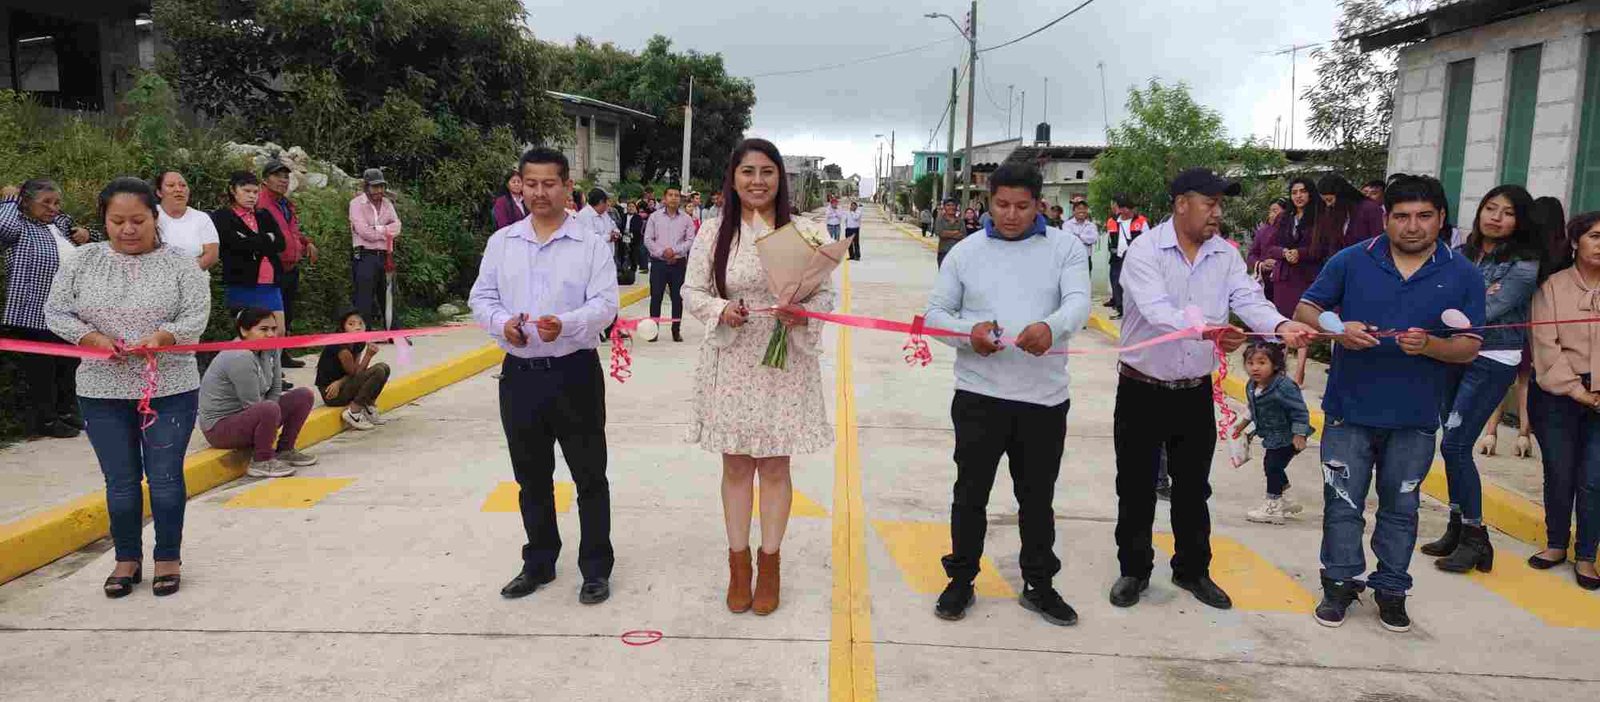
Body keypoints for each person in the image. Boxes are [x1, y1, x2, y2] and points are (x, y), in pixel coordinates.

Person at [1111, 168, 1316, 612]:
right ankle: (1134, 569)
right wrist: (1208, 330)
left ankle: (1192, 570)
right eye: (1210, 203)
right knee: (1136, 484)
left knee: (1192, 487)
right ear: (1182, 203)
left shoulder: (1224, 254)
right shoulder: (1145, 250)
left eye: (1220, 204)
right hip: (1141, 389)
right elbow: (1157, 311)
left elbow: (1248, 299)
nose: (1217, 213)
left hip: (1193, 392)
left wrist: (1281, 325)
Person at [1294, 173, 1486, 632]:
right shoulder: (1351, 260)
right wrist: (1337, 327)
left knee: (1402, 508)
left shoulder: (1463, 274)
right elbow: (1305, 309)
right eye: (1401, 216)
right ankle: (1338, 583)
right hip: (1348, 411)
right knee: (1342, 502)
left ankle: (1392, 588)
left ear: (1441, 218)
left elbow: (1469, 346)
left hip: (1415, 418)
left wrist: (1431, 348)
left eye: (1424, 216)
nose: (1412, 226)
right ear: (1387, 218)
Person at [924, 163, 1090, 626]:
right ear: (987, 203)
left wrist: (1051, 327)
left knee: (1037, 497)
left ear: (1039, 204)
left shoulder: (1066, 248)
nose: (1011, 215)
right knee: (970, 492)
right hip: (980, 396)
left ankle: (1039, 584)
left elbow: (1078, 302)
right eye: (1001, 205)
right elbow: (935, 313)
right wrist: (967, 333)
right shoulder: (965, 252)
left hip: (1044, 399)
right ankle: (961, 580)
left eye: (1022, 206)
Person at [683, 138, 835, 616]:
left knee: (774, 466)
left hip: (784, 361)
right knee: (735, 466)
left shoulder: (806, 231)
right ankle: (738, 564)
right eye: (747, 171)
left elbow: (826, 297)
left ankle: (770, 565)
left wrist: (803, 312)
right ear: (733, 178)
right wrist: (719, 308)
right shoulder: (713, 233)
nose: (757, 181)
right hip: (732, 360)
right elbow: (691, 290)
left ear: (780, 179)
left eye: (767, 172)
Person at [45, 176, 210, 598]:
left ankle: (168, 557)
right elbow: (57, 313)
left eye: (138, 219)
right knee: (119, 482)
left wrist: (163, 339)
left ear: (154, 218)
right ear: (104, 220)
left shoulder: (180, 264)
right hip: (101, 390)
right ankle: (126, 558)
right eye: (117, 221)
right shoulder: (82, 261)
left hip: (169, 387)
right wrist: (92, 340)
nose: (128, 229)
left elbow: (196, 316)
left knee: (166, 478)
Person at [470, 147, 619, 606]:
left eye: (549, 183)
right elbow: (482, 297)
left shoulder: (590, 244)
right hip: (520, 375)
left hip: (574, 371)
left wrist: (568, 323)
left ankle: (595, 568)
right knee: (531, 476)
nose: (539, 192)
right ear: (519, 184)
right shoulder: (503, 242)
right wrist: (502, 325)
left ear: (566, 186)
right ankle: (538, 562)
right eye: (530, 183)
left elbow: (606, 303)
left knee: (589, 475)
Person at [1420, 185, 1542, 573]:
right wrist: (1455, 305)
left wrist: (1458, 305)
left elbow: (1488, 308)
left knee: (1456, 444)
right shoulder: (1459, 253)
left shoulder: (1524, 263)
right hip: (1452, 353)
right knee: (1450, 444)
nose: (1496, 217)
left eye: (1507, 212)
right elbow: (1440, 297)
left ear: (1519, 221)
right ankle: (1457, 527)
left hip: (1492, 356)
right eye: (1490, 208)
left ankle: (1476, 537)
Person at [1527, 210, 1600, 590]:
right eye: (1595, 236)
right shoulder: (1551, 287)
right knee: (1560, 471)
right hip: (1558, 394)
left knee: (1594, 479)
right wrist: (1579, 392)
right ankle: (1556, 543)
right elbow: (1545, 348)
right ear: (1575, 242)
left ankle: (1587, 555)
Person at [1, 179, 94, 438]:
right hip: (33, 309)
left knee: (68, 363)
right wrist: (10, 199)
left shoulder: (58, 225)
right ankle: (46, 420)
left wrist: (86, 234)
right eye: (46, 203)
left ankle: (67, 411)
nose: (53, 208)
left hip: (65, 310)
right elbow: (2, 226)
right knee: (42, 370)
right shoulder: (19, 225)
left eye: (56, 202)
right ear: (26, 202)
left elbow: (87, 240)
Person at [199, 307, 318, 478]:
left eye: (273, 329)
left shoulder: (271, 349)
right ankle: (262, 460)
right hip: (220, 428)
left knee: (303, 396)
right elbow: (253, 404)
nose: (270, 334)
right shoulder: (240, 356)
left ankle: (285, 450)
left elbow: (276, 388)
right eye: (263, 329)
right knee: (268, 408)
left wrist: (271, 414)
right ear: (244, 331)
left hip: (252, 414)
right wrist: (270, 415)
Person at [1230, 341, 1312, 524]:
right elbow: (1253, 408)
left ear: (1275, 364)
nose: (1255, 368)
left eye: (1261, 362)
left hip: (1288, 435)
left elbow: (1299, 411)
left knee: (1272, 466)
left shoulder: (1284, 386)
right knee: (1273, 466)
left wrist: (1299, 434)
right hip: (1271, 435)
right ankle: (1285, 500)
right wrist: (1241, 426)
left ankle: (1273, 505)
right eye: (1250, 363)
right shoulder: (1252, 385)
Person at [212, 171, 287, 329]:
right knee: (247, 333)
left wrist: (250, 240)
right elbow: (235, 244)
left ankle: (274, 356)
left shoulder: (263, 215)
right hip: (242, 283)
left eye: (255, 192)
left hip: (270, 282)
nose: (252, 196)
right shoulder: (223, 216)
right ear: (233, 190)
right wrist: (267, 238)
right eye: (246, 191)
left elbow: (281, 243)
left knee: (278, 331)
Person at [260, 159, 318, 362]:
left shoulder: (286, 204)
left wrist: (307, 242)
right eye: (278, 176)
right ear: (265, 180)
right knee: (271, 317)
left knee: (287, 312)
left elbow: (292, 232)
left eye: (286, 177)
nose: (283, 181)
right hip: (273, 266)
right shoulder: (261, 203)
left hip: (291, 266)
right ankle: (270, 360)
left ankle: (282, 354)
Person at [315, 308, 393, 431]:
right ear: (343, 328)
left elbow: (357, 372)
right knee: (378, 370)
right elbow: (354, 373)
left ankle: (368, 406)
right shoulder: (341, 348)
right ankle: (354, 412)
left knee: (384, 367)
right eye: (351, 324)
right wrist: (368, 356)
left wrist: (340, 381)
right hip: (331, 392)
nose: (357, 327)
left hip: (343, 384)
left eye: (360, 324)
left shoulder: (358, 343)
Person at [349, 168, 402, 330]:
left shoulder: (387, 204)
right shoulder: (356, 204)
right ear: (366, 187)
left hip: (386, 255)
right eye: (374, 187)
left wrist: (377, 229)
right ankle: (363, 335)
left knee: (388, 295)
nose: (379, 190)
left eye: (381, 186)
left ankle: (394, 332)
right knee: (364, 296)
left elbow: (397, 227)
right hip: (365, 254)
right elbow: (363, 232)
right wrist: (386, 231)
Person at [644, 187, 696, 343]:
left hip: (678, 263)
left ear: (680, 199)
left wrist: (674, 251)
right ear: (664, 198)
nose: (674, 198)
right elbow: (648, 239)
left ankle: (676, 330)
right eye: (670, 195)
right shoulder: (654, 217)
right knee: (656, 297)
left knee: (677, 298)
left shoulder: (686, 219)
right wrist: (662, 252)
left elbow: (690, 240)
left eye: (677, 195)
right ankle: (653, 331)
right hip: (659, 263)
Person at [154, 171, 220, 270]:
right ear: (159, 192)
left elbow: (211, 255)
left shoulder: (201, 218)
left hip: (193, 280)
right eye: (171, 185)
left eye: (183, 185)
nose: (178, 189)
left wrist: (186, 274)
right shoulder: (149, 215)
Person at [1104, 195, 1149, 319]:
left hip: (1135, 259)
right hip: (1117, 258)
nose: (1126, 211)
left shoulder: (1141, 221)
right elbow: (1109, 239)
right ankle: (1120, 309)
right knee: (1117, 283)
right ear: (1118, 208)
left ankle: (1135, 311)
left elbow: (1148, 239)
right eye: (1122, 208)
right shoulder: (1112, 221)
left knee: (1134, 285)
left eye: (1128, 208)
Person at [1320, 174, 1385, 249]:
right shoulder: (1338, 212)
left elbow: (1379, 241)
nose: (1328, 204)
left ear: (1341, 195)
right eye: (1325, 201)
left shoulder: (1370, 209)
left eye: (1330, 200)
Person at [1247, 198, 1292, 304]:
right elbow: (1252, 255)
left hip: (1285, 282)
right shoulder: (1262, 231)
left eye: (1275, 211)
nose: (1271, 215)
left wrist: (1279, 263)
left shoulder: (1292, 231)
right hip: (1265, 282)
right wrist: (1261, 265)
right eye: (1270, 211)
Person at [1060, 200, 1098, 272]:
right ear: (1073, 211)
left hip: (1086, 258)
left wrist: (1079, 236)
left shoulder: (1091, 225)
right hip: (1071, 258)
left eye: (1084, 209)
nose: (1082, 211)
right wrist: (1086, 239)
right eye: (1079, 208)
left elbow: (1094, 239)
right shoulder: (1067, 224)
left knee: (1085, 281)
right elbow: (1069, 239)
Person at [933, 199, 965, 268]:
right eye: (948, 205)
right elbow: (940, 233)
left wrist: (947, 233)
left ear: (956, 207)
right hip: (943, 252)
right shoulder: (939, 219)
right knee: (943, 275)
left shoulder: (960, 221)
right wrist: (955, 232)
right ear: (944, 207)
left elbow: (962, 235)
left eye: (953, 205)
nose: (951, 207)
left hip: (958, 253)